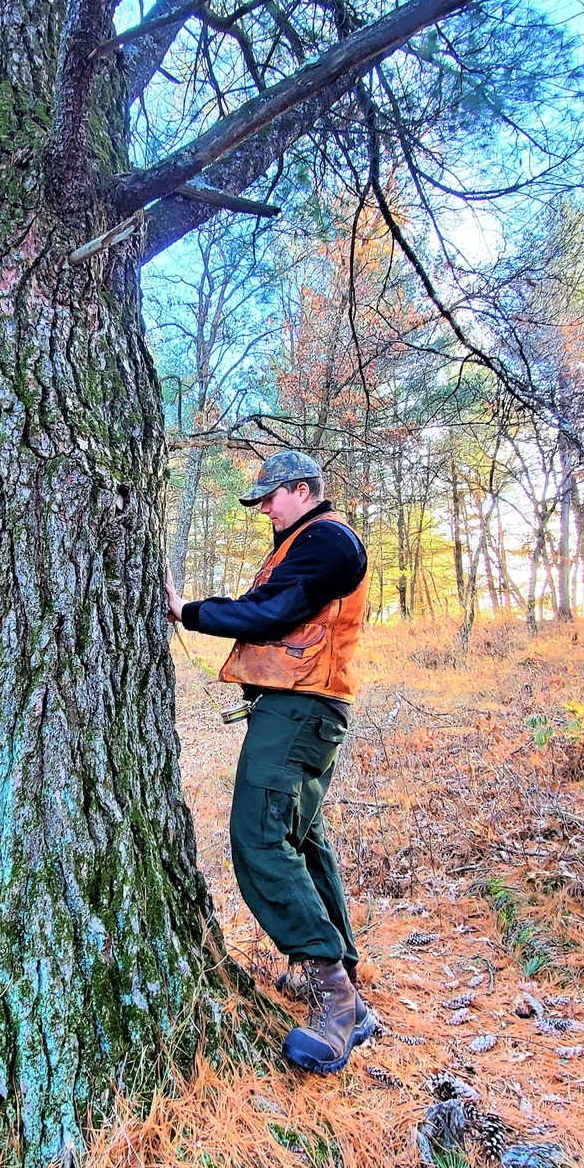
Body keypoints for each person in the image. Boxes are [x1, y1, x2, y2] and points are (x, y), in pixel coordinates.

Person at [165, 449, 375, 1074]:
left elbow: (277, 613)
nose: (264, 512)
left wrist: (190, 612)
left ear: (303, 490)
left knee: (258, 837)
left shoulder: (328, 542)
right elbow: (276, 607)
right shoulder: (304, 544)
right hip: (299, 710)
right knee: (300, 839)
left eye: (270, 498)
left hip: (299, 711)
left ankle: (333, 998)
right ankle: (349, 988)